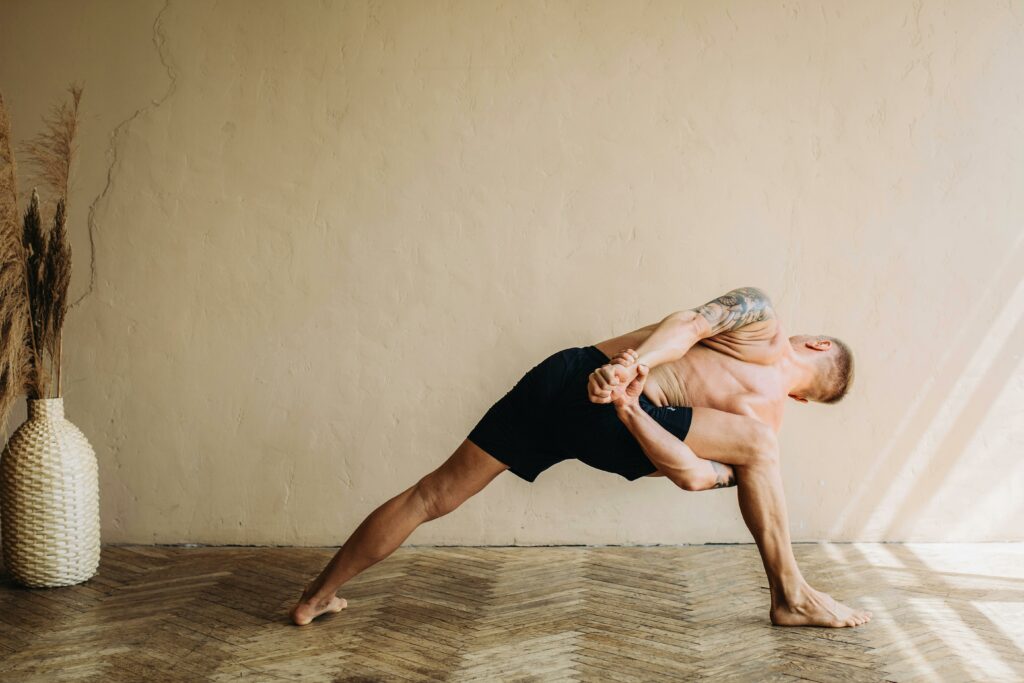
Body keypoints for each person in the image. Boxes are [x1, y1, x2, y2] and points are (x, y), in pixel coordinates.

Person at [289, 287, 872, 629]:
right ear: (805, 395)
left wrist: (631, 370)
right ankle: (790, 595)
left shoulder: (762, 318)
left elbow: (692, 324)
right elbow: (694, 478)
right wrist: (634, 382)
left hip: (567, 374)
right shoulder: (760, 430)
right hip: (618, 406)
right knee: (758, 449)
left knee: (432, 494)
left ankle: (315, 597)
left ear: (816, 343)